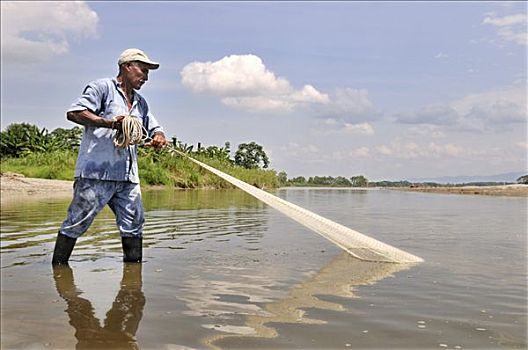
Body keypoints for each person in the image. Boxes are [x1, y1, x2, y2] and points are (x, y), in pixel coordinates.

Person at [52, 48, 167, 265]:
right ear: (126, 67)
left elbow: (155, 128)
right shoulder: (102, 88)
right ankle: (58, 268)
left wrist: (159, 137)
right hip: (96, 173)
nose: (146, 77)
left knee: (134, 223)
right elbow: (75, 112)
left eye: (148, 72)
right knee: (77, 221)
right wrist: (112, 123)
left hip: (127, 177)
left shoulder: (140, 102)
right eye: (143, 70)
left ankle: (132, 282)